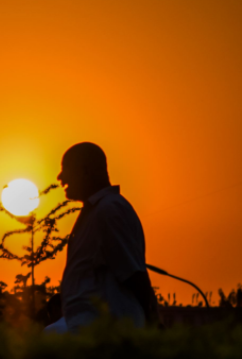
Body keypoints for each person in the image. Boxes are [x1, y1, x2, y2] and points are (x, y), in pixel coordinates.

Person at [45, 142, 160, 334]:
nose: (60, 177)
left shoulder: (109, 210)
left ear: (85, 171)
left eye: (66, 170)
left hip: (106, 332)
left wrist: (152, 323)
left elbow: (134, 275)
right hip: (92, 330)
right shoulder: (96, 211)